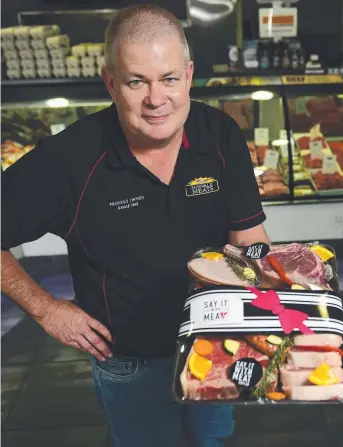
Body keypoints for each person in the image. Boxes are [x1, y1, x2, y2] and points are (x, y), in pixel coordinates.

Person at [1, 5, 270, 447]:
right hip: (129, 361)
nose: (156, 99)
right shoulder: (71, 158)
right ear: (110, 83)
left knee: (212, 442)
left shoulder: (219, 134)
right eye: (135, 81)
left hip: (216, 343)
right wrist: (47, 310)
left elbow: (247, 237)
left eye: (168, 79)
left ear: (188, 74)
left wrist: (276, 311)